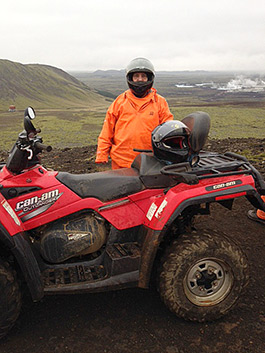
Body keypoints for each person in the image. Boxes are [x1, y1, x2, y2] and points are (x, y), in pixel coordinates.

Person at [95, 57, 174, 169]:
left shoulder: (160, 102)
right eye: (136, 76)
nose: (140, 79)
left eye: (143, 76)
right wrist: (101, 154)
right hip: (120, 162)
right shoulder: (120, 102)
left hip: (150, 162)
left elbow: (168, 130)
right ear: (130, 78)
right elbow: (107, 130)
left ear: (149, 78)